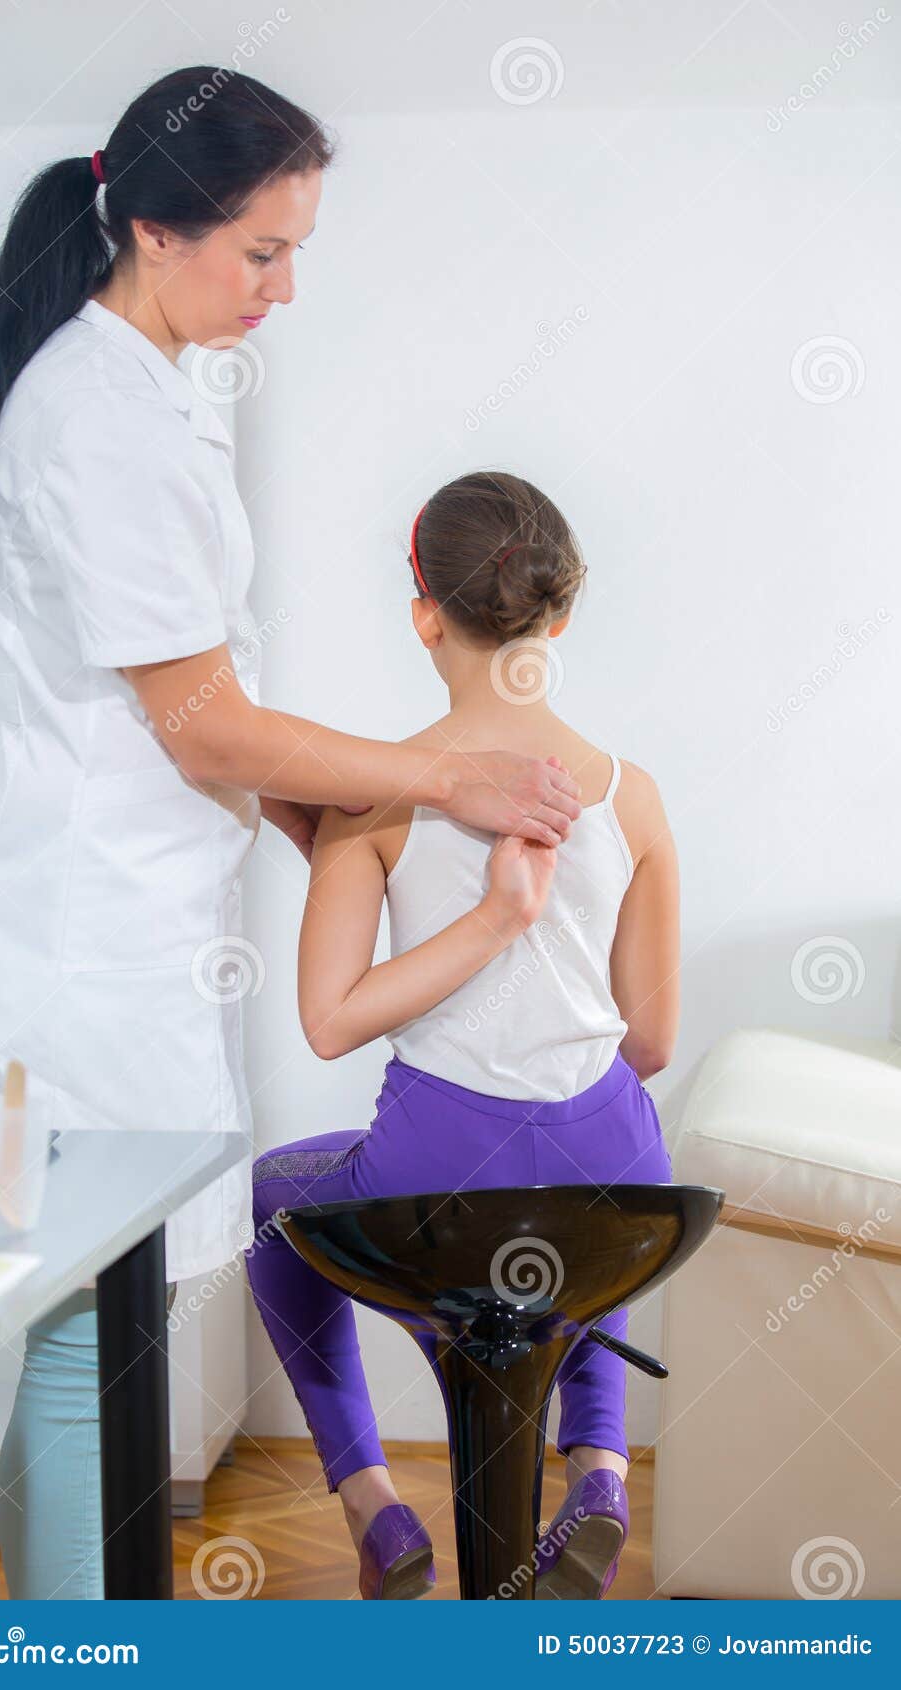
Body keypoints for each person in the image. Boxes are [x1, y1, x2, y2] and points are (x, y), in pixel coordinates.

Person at [0, 71, 581, 1599]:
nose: (281, 284)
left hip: (92, 927)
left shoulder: (139, 386)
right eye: (261, 251)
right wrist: (438, 785)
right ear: (153, 227)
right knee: (88, 1326)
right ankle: (85, 1642)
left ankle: (73, 1627)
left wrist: (332, 806)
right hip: (82, 958)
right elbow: (198, 718)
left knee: (81, 1321)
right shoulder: (96, 412)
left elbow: (191, 704)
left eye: (295, 251)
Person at [246, 469, 681, 1600]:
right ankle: (595, 1468)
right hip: (612, 1185)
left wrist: (383, 878)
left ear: (422, 609)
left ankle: (374, 1505)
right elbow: (649, 1039)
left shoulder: (372, 799)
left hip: (434, 1184)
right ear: (559, 611)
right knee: (602, 1168)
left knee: (268, 1192)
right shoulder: (632, 798)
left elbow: (329, 1020)